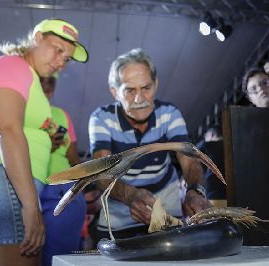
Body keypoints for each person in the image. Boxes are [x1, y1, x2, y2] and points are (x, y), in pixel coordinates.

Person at [0, 19, 88, 266]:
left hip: (9, 187)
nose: (62, 61)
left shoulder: (29, 78)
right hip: (3, 184)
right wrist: (31, 206)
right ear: (37, 38)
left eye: (67, 58)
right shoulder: (12, 65)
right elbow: (6, 130)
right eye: (58, 49)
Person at [88, 48, 210, 240]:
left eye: (146, 88)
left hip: (166, 206)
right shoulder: (101, 118)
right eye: (129, 90)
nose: (139, 99)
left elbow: (189, 160)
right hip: (117, 213)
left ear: (156, 84)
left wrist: (196, 191)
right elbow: (101, 174)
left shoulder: (170, 114)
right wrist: (130, 196)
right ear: (114, 92)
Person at [39, 76, 86, 266]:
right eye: (41, 82)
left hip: (62, 189)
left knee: (59, 257)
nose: (47, 88)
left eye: (51, 84)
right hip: (30, 188)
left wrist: (87, 183)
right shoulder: (19, 114)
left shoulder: (61, 115)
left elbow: (74, 158)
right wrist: (44, 146)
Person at [202, 127, 226, 207]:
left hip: (216, 197)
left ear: (212, 135)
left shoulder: (213, 148)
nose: (205, 140)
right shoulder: (229, 148)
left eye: (206, 137)